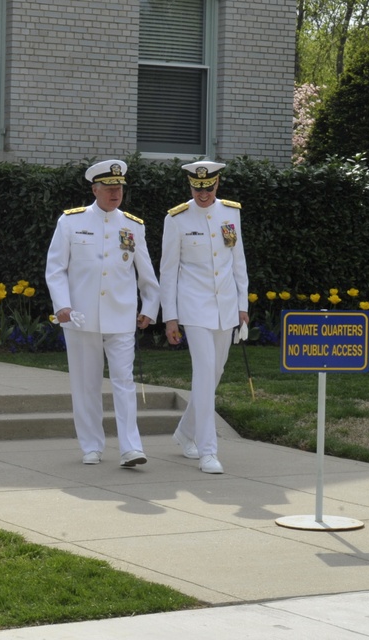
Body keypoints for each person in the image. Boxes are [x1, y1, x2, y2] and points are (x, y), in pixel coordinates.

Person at [45, 159, 160, 467]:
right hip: (81, 317)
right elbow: (55, 269)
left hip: (121, 316)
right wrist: (63, 306)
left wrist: (149, 307)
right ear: (95, 189)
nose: (115, 193)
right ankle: (91, 446)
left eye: (119, 187)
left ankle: (130, 447)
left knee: (124, 382)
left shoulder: (133, 225)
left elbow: (146, 273)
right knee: (86, 384)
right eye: (109, 188)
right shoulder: (70, 222)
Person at [160, 160, 249, 475]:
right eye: (198, 188)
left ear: (217, 184)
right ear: (190, 186)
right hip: (194, 307)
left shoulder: (230, 213)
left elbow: (237, 262)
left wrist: (243, 306)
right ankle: (208, 450)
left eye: (208, 188)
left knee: (216, 373)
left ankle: (185, 432)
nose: (203, 194)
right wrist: (170, 318)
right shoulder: (177, 218)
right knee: (203, 372)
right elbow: (168, 272)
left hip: (225, 307)